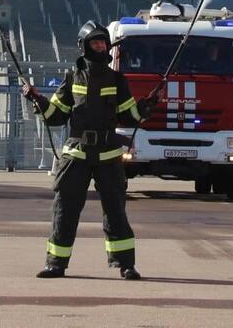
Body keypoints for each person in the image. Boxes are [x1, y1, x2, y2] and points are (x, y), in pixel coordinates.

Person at [23, 21, 158, 280]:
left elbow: (129, 117)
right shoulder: (72, 77)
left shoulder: (118, 79)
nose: (100, 46)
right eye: (95, 42)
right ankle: (56, 264)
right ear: (85, 46)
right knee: (65, 209)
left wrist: (146, 106)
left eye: (103, 42)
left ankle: (125, 264)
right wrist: (37, 100)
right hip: (76, 154)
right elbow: (56, 116)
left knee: (116, 210)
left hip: (108, 155)